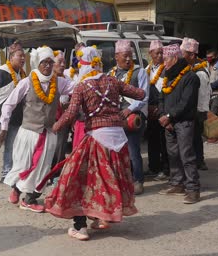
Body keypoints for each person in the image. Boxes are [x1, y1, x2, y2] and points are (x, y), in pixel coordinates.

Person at [45, 46, 143, 241]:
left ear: (82, 65)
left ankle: (80, 227)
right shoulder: (113, 81)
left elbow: (71, 114)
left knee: (81, 181)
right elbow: (140, 94)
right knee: (108, 181)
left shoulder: (82, 87)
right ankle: (101, 218)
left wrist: (55, 126)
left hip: (97, 140)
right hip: (118, 141)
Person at [0, 46, 75, 213]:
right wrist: (4, 127)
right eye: (44, 62)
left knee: (43, 167)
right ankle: (16, 189)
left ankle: (30, 199)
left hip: (48, 133)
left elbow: (76, 87)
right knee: (24, 164)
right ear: (37, 64)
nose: (47, 66)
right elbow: (9, 104)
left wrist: (91, 74)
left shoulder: (59, 82)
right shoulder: (26, 82)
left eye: (50, 62)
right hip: (29, 132)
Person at [158, 44, 201, 204]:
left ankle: (193, 189)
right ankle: (177, 183)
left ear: (175, 59)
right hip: (168, 123)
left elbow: (186, 103)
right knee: (173, 155)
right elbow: (162, 98)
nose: (164, 63)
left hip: (184, 123)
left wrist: (169, 116)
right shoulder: (168, 76)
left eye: (166, 59)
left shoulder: (191, 77)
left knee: (186, 156)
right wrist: (163, 116)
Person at [109, 39, 149, 195]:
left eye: (130, 56)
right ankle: (122, 180)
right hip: (116, 119)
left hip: (134, 117)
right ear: (116, 56)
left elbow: (144, 96)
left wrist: (129, 110)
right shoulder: (111, 73)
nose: (128, 59)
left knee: (133, 150)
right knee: (118, 151)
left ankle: (138, 180)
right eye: (124, 56)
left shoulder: (140, 72)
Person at [0, 40, 26, 181]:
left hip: (16, 118)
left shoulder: (23, 75)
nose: (23, 59)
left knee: (11, 147)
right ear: (11, 58)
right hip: (0, 118)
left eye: (24, 56)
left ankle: (6, 173)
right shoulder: (0, 73)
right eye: (20, 56)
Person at [180, 37, 211, 171]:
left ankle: (199, 161)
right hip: (191, 109)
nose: (181, 56)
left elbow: (203, 95)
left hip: (197, 110)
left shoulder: (200, 73)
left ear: (192, 55)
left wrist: (199, 112)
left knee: (196, 137)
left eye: (183, 54)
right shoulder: (189, 68)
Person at [145, 40, 170, 180]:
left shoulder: (167, 68)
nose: (160, 56)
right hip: (150, 110)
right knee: (152, 139)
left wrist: (161, 109)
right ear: (150, 54)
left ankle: (166, 169)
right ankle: (153, 167)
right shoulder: (147, 69)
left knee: (164, 141)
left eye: (162, 53)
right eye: (157, 53)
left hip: (163, 109)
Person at [51, 50, 73, 181]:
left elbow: (74, 96)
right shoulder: (46, 79)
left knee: (60, 148)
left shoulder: (67, 79)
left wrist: (69, 104)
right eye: (60, 62)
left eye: (64, 62)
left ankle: (56, 174)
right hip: (49, 120)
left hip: (63, 119)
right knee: (50, 149)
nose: (63, 65)